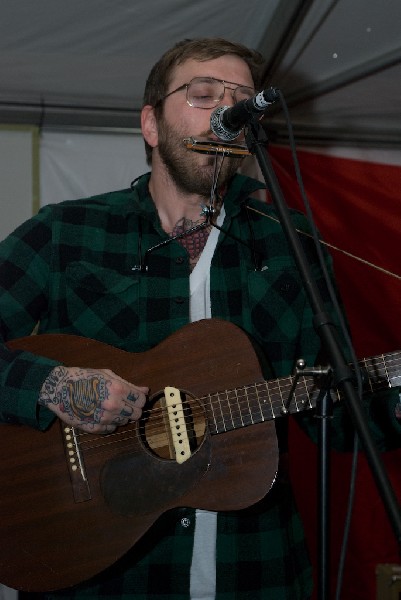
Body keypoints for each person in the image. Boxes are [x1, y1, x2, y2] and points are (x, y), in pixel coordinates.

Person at [1, 37, 401, 600]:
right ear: (150, 123)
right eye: (202, 94)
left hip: (256, 572)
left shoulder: (293, 246)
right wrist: (48, 384)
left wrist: (391, 394)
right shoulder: (66, 234)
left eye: (241, 100)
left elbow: (333, 413)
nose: (223, 113)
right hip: (101, 575)